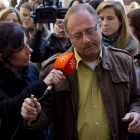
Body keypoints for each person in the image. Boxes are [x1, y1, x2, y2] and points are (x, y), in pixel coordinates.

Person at [21, 4, 140, 140]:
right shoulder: (53, 68)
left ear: (100, 25)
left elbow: (137, 98)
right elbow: (46, 114)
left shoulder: (124, 61)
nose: (86, 40)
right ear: (69, 37)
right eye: (77, 35)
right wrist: (35, 115)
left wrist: (136, 113)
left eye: (90, 31)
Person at [0, 22, 65, 140]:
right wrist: (42, 84)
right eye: (21, 48)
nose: (29, 50)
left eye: (27, 44)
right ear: (2, 56)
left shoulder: (32, 69)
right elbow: (5, 108)